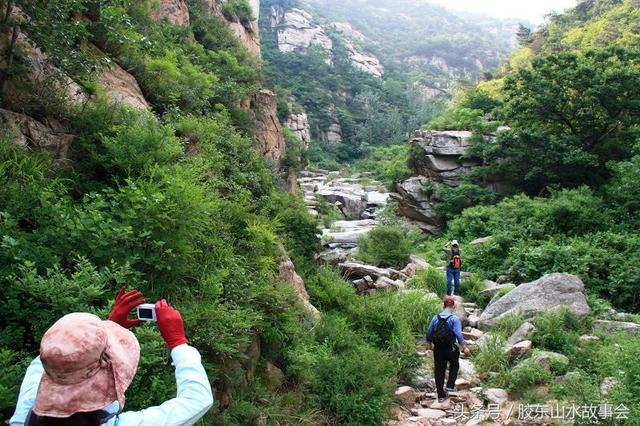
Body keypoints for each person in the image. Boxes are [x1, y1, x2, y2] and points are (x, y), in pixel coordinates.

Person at [10, 289, 214, 426]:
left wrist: (110, 327)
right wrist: (178, 341)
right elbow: (197, 400)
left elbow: (57, 356)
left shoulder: (24, 415)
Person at [426, 296, 470, 407]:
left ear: (443, 305)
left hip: (438, 348)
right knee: (454, 365)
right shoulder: (454, 319)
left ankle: (440, 395)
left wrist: (430, 344)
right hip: (451, 348)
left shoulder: (435, 318)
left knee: (439, 370)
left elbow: (429, 333)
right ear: (454, 306)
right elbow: (459, 334)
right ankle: (450, 386)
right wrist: (464, 347)